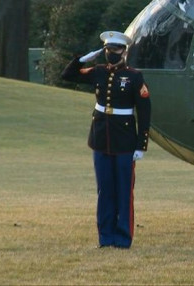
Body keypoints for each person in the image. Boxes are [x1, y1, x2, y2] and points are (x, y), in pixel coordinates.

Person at [61, 31, 151, 248]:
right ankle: (105, 236)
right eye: (108, 49)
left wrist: (141, 145)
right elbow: (68, 75)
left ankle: (122, 238)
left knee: (123, 191)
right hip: (101, 139)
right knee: (104, 190)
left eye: (116, 49)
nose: (112, 53)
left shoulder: (134, 76)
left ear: (124, 51)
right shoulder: (98, 72)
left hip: (124, 141)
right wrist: (83, 59)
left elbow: (145, 113)